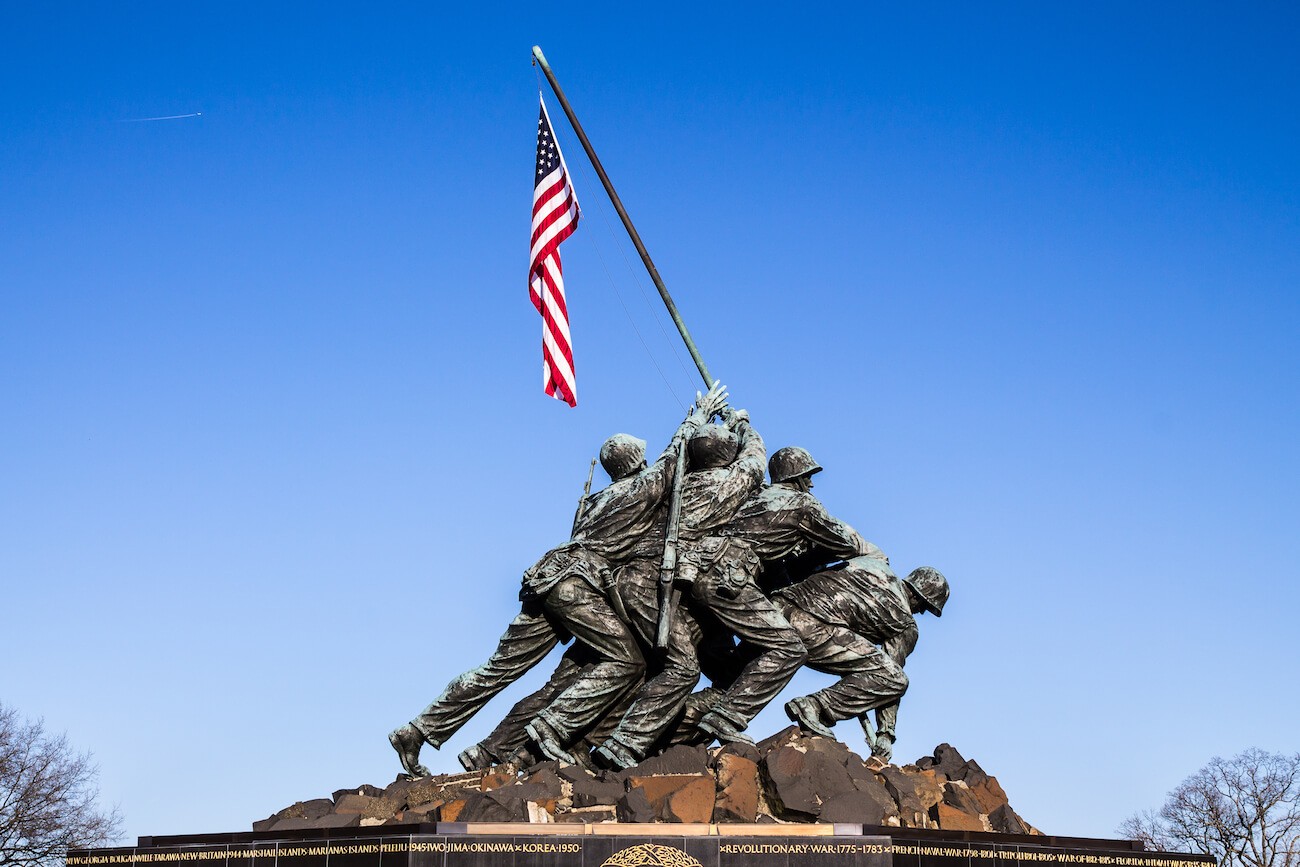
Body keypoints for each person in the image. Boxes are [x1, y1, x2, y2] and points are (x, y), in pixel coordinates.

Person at [388, 383, 728, 776]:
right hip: (575, 586)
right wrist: (697, 418)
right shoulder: (640, 489)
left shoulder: (596, 501)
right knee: (627, 661)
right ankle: (552, 728)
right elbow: (674, 460)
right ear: (636, 460)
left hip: (546, 578)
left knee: (498, 668)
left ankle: (418, 729)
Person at [775, 556, 948, 761]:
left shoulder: (872, 564)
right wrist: (885, 733)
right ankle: (815, 705)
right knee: (895, 679)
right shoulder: (905, 622)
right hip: (811, 628)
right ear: (918, 597)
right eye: (925, 607)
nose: (920, 612)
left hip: (776, 606)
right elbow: (890, 674)